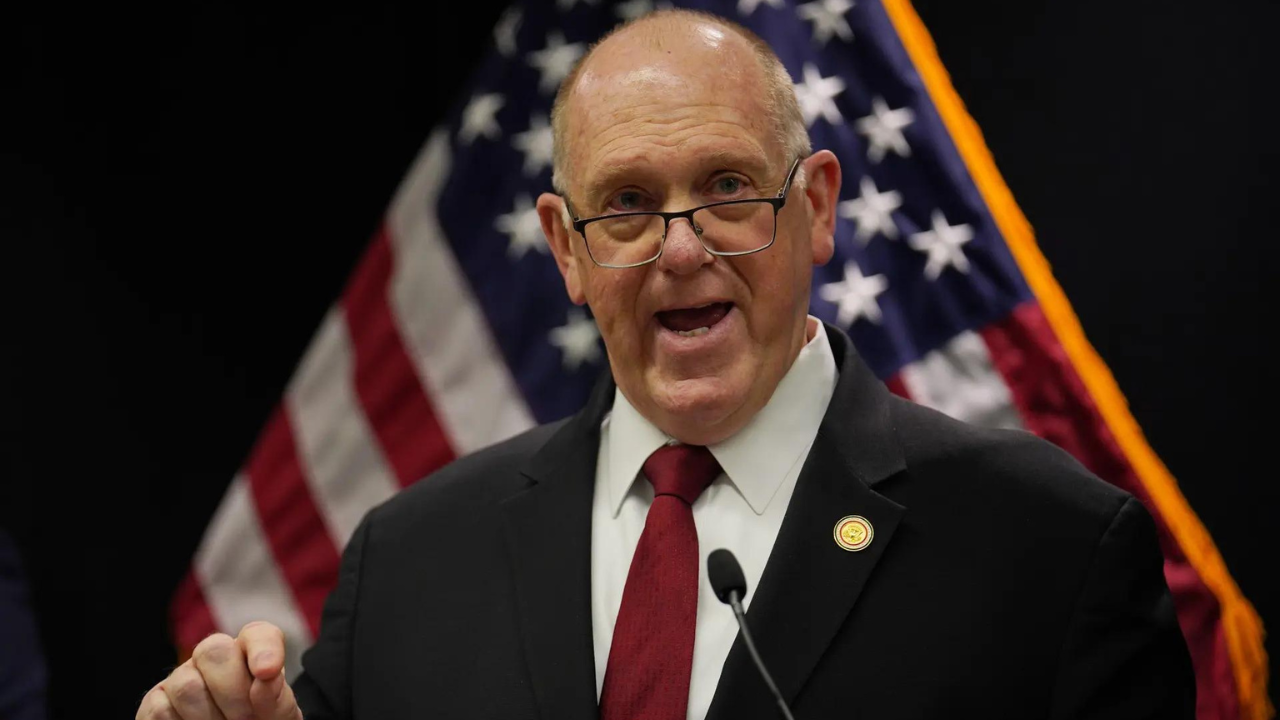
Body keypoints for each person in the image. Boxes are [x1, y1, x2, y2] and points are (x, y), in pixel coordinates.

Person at [136, 9, 1194, 720]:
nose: (681, 250)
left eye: (728, 187)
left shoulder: (1048, 552)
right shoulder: (411, 563)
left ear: (817, 208)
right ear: (565, 249)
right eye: (628, 205)